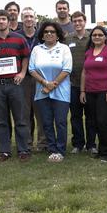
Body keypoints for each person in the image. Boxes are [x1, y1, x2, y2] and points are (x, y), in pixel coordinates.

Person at [0, 9, 32, 162]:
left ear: (9, 21)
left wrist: (22, 73)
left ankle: (23, 149)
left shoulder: (19, 39)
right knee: (1, 120)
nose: (1, 21)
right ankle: (4, 150)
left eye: (4, 19)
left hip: (16, 84)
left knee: (20, 119)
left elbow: (25, 57)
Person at [29, 22, 72, 163]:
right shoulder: (37, 49)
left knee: (60, 122)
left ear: (57, 35)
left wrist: (51, 85)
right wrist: (45, 83)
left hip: (61, 92)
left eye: (52, 32)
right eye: (46, 31)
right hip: (41, 92)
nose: (49, 34)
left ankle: (61, 150)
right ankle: (52, 149)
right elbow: (31, 69)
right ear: (42, 35)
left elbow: (67, 69)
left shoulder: (64, 49)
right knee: (46, 122)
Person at [80, 26, 107, 161]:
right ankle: (103, 150)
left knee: (103, 121)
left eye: (100, 35)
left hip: (106, 92)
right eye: (94, 35)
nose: (97, 37)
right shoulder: (89, 52)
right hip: (90, 91)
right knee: (95, 122)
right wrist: (82, 91)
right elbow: (84, 72)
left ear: (105, 37)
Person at [66, 11, 95, 154]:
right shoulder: (67, 39)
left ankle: (91, 144)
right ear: (72, 22)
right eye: (75, 21)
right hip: (72, 84)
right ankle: (78, 144)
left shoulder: (92, 37)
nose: (77, 23)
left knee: (91, 116)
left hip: (90, 84)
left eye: (80, 21)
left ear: (85, 21)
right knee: (75, 116)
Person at [20, 6, 46, 151]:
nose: (29, 19)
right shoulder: (16, 36)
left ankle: (43, 143)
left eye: (31, 16)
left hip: (40, 78)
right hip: (23, 79)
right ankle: (27, 143)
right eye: (26, 16)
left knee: (41, 111)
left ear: (35, 19)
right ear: (21, 19)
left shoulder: (42, 35)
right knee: (25, 113)